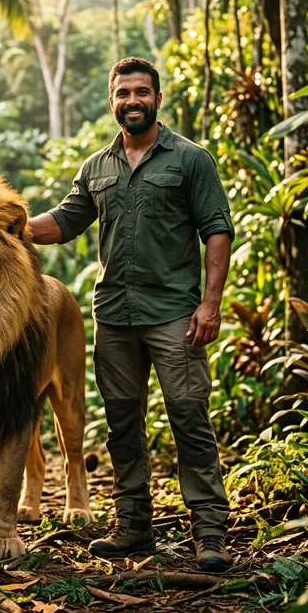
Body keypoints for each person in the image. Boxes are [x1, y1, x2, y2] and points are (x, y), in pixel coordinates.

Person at [27, 57, 234, 572]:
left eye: (141, 92)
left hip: (175, 314)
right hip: (115, 315)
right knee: (122, 423)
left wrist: (211, 303)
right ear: (112, 100)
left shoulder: (190, 160)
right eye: (123, 94)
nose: (132, 101)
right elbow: (63, 222)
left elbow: (217, 229)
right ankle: (133, 525)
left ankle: (209, 531)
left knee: (188, 416)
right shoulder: (97, 167)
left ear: (157, 99)